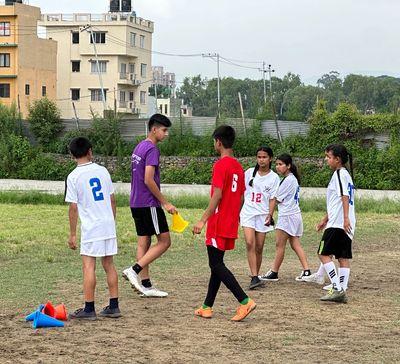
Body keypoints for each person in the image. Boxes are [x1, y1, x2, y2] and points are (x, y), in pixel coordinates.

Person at [192, 125, 256, 322]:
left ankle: (244, 301)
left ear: (218, 142)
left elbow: (217, 195)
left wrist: (202, 220)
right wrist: (234, 216)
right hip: (230, 221)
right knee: (216, 264)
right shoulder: (238, 167)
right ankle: (207, 306)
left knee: (216, 264)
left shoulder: (221, 165)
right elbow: (243, 197)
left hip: (218, 222)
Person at [65, 137, 121, 320]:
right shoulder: (103, 171)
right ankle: (114, 306)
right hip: (107, 224)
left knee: (88, 266)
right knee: (109, 264)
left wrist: (73, 234)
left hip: (92, 228)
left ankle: (89, 309)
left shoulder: (73, 176)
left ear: (72, 155)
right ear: (90, 151)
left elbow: (73, 207)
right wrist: (111, 221)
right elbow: (112, 199)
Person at [122, 114, 176, 297]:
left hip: (135, 202)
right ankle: (134, 270)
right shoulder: (152, 149)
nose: (166, 134)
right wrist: (165, 202)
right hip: (149, 203)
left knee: (143, 242)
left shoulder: (139, 146)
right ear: (154, 129)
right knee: (165, 241)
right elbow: (148, 179)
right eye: (164, 130)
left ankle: (145, 285)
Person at [312, 144, 356, 303]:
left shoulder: (339, 174)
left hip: (339, 223)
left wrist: (344, 218)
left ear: (337, 160)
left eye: (328, 157)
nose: (326, 160)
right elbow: (336, 201)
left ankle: (336, 287)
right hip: (343, 223)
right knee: (342, 257)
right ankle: (341, 288)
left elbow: (344, 196)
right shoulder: (346, 175)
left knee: (323, 253)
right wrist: (325, 219)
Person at [261, 154, 312, 281]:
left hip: (287, 216)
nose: (278, 167)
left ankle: (274, 272)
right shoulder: (292, 179)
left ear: (288, 166)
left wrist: (269, 214)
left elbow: (276, 199)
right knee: (295, 243)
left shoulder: (288, 180)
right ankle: (307, 270)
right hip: (294, 214)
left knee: (279, 245)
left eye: (280, 164)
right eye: (277, 164)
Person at [240, 146, 280, 289]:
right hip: (248, 213)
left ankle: (256, 275)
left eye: (264, 157)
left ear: (270, 159)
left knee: (259, 247)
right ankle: (254, 276)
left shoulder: (274, 177)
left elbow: (272, 199)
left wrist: (270, 214)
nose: (261, 160)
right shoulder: (250, 173)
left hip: (263, 215)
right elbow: (241, 193)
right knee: (250, 243)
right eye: (259, 157)